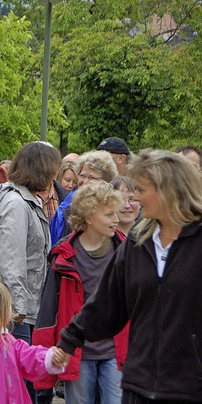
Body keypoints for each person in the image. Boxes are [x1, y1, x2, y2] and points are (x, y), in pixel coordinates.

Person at [55, 149, 202, 402]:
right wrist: (70, 339)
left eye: (142, 190)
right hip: (139, 385)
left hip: (190, 387)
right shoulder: (136, 243)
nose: (133, 200)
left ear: (168, 190)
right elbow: (107, 303)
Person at [33, 182, 129, 403]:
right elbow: (49, 310)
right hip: (76, 350)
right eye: (108, 214)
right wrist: (46, 353)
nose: (116, 219)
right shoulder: (64, 255)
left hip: (115, 350)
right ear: (88, 217)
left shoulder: (124, 251)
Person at [0, 141, 61, 402]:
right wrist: (19, 309)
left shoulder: (26, 201)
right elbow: (11, 260)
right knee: (16, 385)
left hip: (22, 307)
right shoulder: (16, 204)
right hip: (13, 310)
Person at [50, 150, 118, 246]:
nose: (85, 182)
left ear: (106, 182)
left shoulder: (115, 209)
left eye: (91, 178)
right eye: (82, 176)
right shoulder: (66, 207)